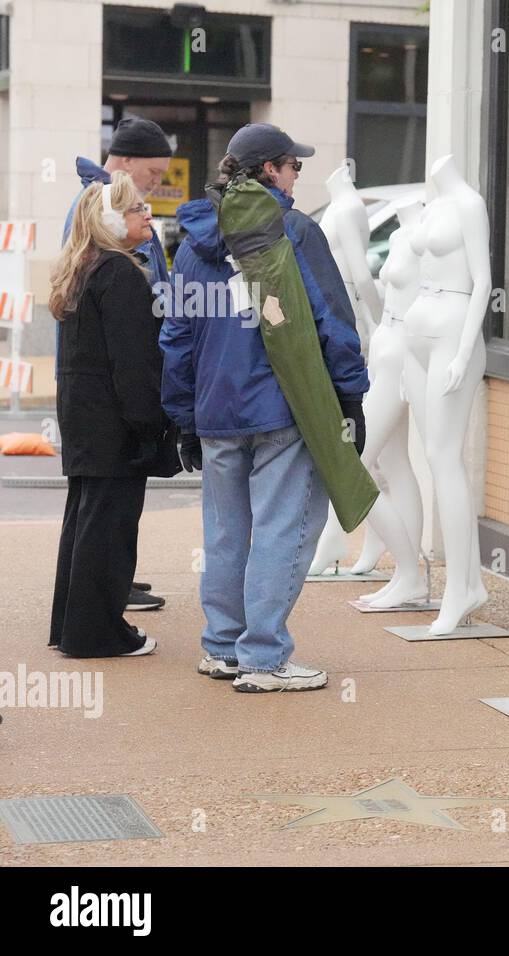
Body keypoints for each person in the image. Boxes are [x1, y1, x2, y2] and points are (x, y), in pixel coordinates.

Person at [160, 123, 369, 693]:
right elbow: (331, 319)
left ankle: (224, 647)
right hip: (284, 407)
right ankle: (264, 658)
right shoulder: (296, 231)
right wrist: (350, 394)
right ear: (269, 171)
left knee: (226, 532)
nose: (298, 175)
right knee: (285, 528)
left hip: (215, 410)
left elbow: (176, 335)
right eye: (293, 166)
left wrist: (181, 414)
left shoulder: (193, 241)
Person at [47, 172, 180, 658]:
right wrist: (151, 424)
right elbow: (134, 363)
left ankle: (71, 626)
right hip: (113, 426)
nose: (148, 215)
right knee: (109, 531)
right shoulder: (122, 274)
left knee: (83, 524)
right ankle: (98, 634)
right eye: (136, 209)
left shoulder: (81, 269)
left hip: (85, 421)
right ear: (109, 220)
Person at [63, 116, 175, 614]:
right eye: (152, 174)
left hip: (93, 405)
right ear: (125, 162)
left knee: (94, 514)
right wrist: (146, 418)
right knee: (103, 514)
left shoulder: (99, 254)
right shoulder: (112, 264)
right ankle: (96, 613)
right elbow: (123, 350)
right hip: (108, 409)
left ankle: (90, 605)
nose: (154, 192)